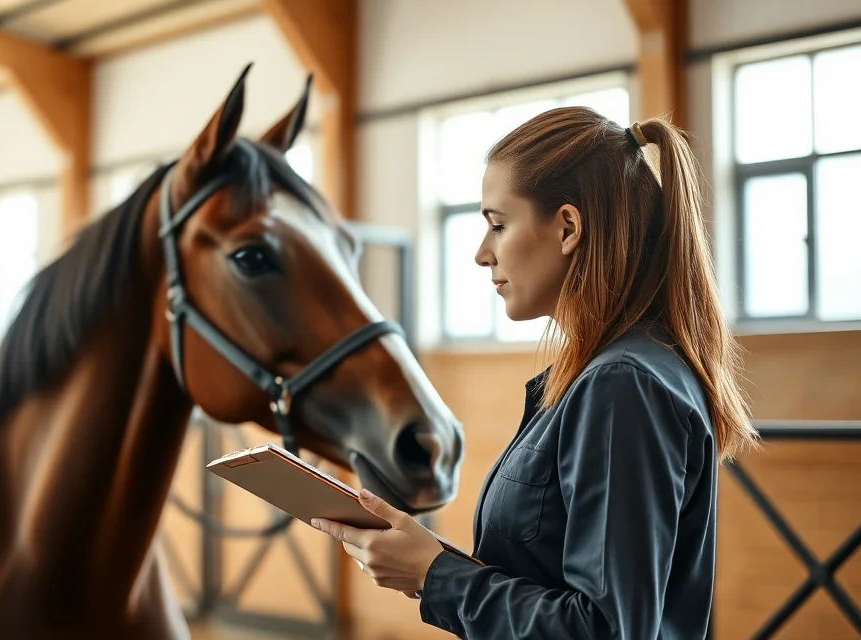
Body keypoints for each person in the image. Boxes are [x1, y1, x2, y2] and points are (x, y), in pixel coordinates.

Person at [310, 107, 759, 639]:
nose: (482, 254)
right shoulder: (613, 375)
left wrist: (436, 575)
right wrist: (429, 564)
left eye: (498, 225)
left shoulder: (622, 385)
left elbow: (605, 630)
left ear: (568, 227)